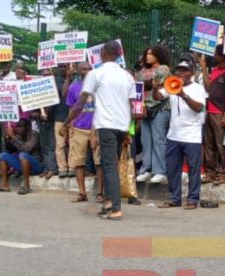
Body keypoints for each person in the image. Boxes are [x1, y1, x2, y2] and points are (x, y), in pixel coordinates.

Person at [68, 40, 135, 220]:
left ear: (103, 53)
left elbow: (80, 104)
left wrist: (68, 122)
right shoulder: (128, 76)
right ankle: (107, 200)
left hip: (107, 125)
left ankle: (115, 208)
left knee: (109, 165)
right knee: (108, 164)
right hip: (122, 125)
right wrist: (129, 130)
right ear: (120, 54)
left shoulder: (95, 74)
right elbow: (131, 105)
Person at [155, 58, 207, 210]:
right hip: (173, 135)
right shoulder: (172, 85)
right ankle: (174, 198)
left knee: (193, 169)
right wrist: (154, 88)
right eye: (179, 70)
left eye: (184, 70)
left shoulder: (198, 89)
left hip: (192, 135)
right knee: (172, 169)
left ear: (191, 73)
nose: (181, 73)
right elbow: (158, 97)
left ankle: (192, 199)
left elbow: (199, 108)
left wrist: (183, 95)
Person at [60, 62, 104, 203]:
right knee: (78, 162)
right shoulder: (74, 87)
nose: (87, 71)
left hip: (97, 128)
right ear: (78, 71)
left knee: (99, 162)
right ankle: (82, 193)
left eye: (89, 68)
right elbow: (72, 108)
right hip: (79, 128)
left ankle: (100, 193)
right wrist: (68, 126)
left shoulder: (100, 86)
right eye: (84, 69)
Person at [200, 44, 225, 185]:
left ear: (222, 56)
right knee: (209, 144)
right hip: (210, 111)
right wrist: (203, 69)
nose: (213, 56)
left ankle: (224, 173)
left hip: (220, 112)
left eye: (216, 54)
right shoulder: (214, 70)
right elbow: (208, 87)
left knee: (221, 145)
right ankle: (211, 172)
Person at [135, 45, 171, 184]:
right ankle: (146, 170)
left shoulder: (163, 69)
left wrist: (139, 82)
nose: (148, 56)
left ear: (158, 55)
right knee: (146, 140)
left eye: (151, 54)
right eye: (147, 54)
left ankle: (160, 171)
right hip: (145, 109)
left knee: (158, 139)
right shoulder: (142, 70)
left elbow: (153, 85)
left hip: (160, 108)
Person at [0, 119, 44, 194]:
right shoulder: (19, 136)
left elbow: (26, 149)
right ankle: (5, 185)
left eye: (20, 127)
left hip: (36, 166)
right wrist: (8, 139)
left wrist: (13, 137)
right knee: (3, 155)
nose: (18, 129)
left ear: (28, 127)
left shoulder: (34, 134)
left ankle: (26, 187)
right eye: (17, 127)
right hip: (23, 165)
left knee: (23, 155)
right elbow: (10, 150)